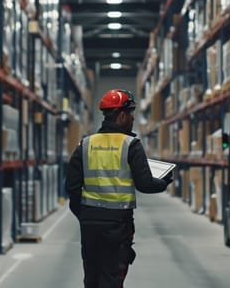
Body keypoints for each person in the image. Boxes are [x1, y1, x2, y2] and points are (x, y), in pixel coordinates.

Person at [65, 88, 173, 288]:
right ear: (122, 115)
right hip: (118, 223)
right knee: (113, 278)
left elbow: (72, 186)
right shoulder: (131, 145)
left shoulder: (85, 144)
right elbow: (145, 184)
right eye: (131, 114)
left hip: (90, 222)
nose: (133, 118)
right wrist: (164, 182)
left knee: (92, 277)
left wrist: (84, 215)